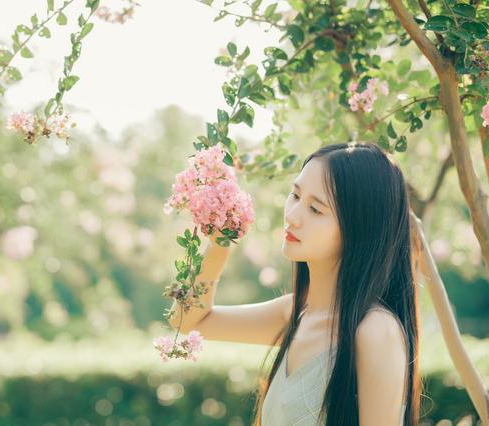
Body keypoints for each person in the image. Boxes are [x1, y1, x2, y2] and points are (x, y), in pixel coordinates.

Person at [168, 142, 421, 425]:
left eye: (315, 209)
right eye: (295, 195)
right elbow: (189, 321)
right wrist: (220, 243)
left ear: (359, 228)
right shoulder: (294, 315)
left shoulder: (375, 331)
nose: (292, 215)